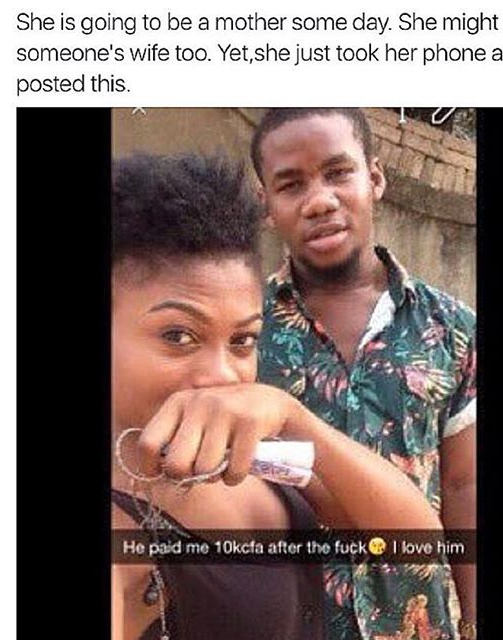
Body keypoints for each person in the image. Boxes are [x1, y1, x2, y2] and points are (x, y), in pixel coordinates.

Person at [111, 153, 443, 640]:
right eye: (178, 336)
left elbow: (416, 544)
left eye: (242, 340)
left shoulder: (256, 458)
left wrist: (294, 417)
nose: (223, 376)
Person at [252, 108, 477, 640]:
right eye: (291, 184)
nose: (319, 201)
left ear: (375, 177)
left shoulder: (451, 328)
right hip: (287, 620)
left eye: (338, 172)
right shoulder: (241, 331)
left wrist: (473, 617)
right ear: (266, 205)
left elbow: (463, 482)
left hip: (416, 621)